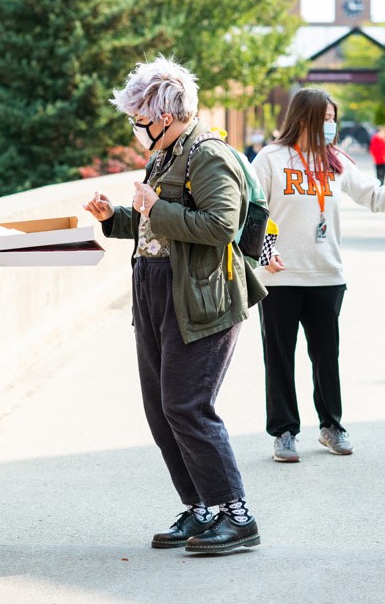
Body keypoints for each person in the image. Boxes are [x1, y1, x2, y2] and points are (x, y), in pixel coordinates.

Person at [83, 56, 265, 553]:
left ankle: (237, 515)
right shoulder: (165, 153)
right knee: (162, 410)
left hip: (200, 295)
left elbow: (220, 226)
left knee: (188, 406)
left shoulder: (208, 155)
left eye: (139, 118)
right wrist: (115, 216)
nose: (136, 128)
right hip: (157, 288)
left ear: (163, 115)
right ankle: (201, 507)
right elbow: (155, 227)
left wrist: (152, 208)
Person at [251, 88, 385, 462]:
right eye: (327, 118)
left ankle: (332, 426)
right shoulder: (269, 159)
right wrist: (266, 253)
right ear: (304, 119)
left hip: (326, 275)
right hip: (279, 278)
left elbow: (374, 196)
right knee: (280, 358)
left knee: (326, 355)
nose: (332, 125)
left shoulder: (335, 161)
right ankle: (284, 432)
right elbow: (250, 211)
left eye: (334, 117)